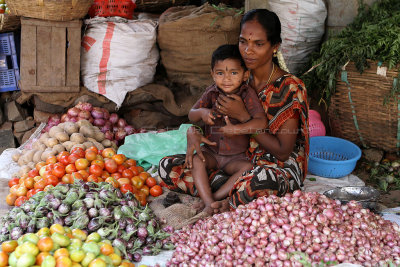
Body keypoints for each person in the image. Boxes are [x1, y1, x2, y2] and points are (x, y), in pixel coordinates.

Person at [158, 8, 309, 213]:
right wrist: (194, 132)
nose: (248, 50)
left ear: (275, 47)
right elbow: (210, 117)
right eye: (243, 42)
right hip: (232, 158)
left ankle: (222, 195)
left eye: (258, 44)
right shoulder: (233, 77)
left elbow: (282, 151)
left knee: (260, 183)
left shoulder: (289, 87)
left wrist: (243, 117)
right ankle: (226, 196)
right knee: (168, 167)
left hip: (273, 165)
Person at [187, 44, 267, 214]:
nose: (226, 79)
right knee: (195, 160)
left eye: (233, 73)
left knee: (248, 169)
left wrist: (238, 129)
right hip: (211, 152)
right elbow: (191, 114)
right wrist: (202, 112)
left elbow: (261, 123)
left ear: (245, 75)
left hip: (235, 158)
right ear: (212, 74)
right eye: (220, 73)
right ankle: (208, 202)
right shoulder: (211, 93)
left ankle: (213, 197)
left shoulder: (247, 94)